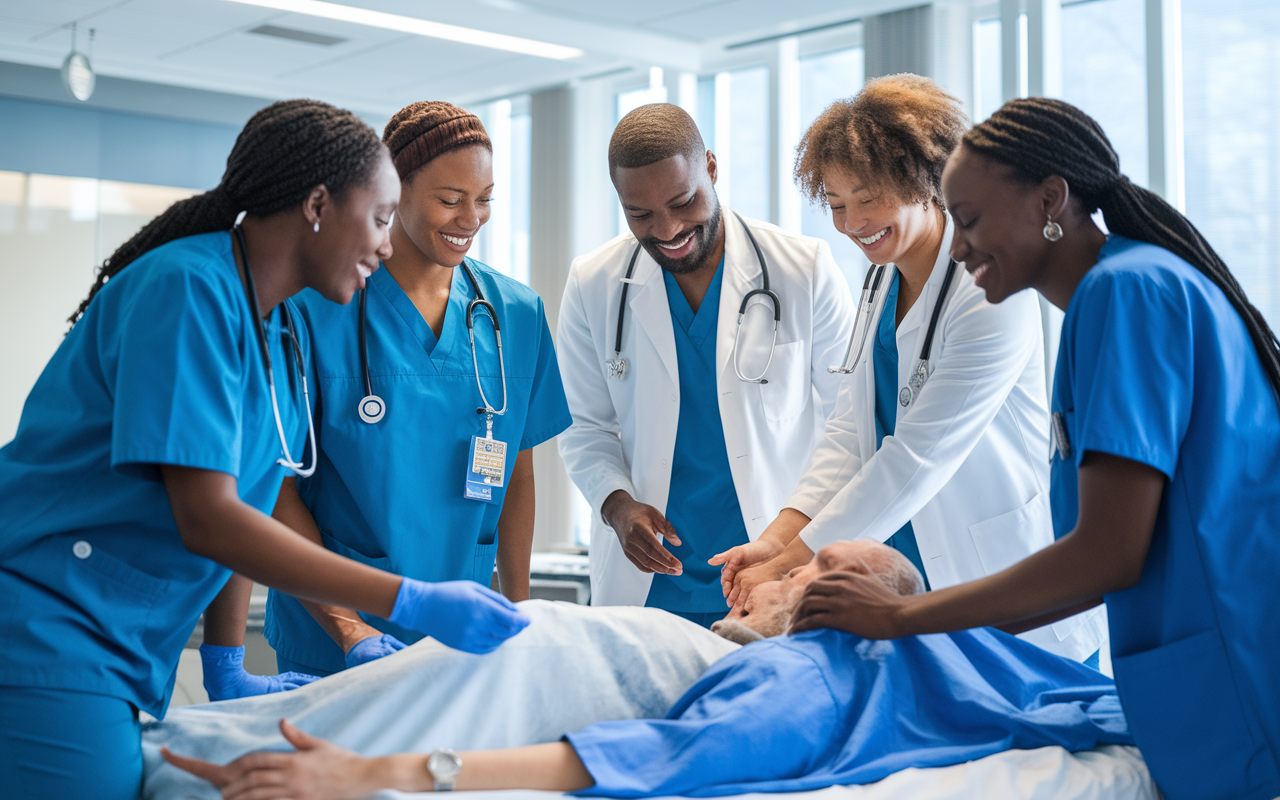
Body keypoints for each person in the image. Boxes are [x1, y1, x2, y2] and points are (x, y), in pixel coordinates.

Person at [0, 99, 527, 800]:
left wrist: (225, 662)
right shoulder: (186, 290)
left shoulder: (273, 329)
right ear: (317, 205)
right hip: (46, 623)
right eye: (377, 218)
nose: (385, 245)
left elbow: (245, 508)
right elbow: (209, 518)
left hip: (119, 645)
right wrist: (410, 599)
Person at [789, 97, 1280, 800]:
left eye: (970, 219)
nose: (957, 247)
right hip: (1203, 663)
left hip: (1235, 668)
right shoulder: (1114, 295)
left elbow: (1107, 552)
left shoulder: (1128, 293)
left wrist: (900, 618)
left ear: (1051, 199)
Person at [160, 540, 1133, 800]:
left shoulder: (805, 675)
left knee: (226, 756)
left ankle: (192, 750)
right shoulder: (769, 650)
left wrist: (376, 773)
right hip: (521, 654)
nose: (777, 572)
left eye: (808, 566)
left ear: (847, 599)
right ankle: (196, 741)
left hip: (533, 667)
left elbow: (650, 752)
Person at [711, 75, 1105, 665]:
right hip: (904, 570)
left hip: (1000, 579)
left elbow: (917, 456)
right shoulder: (878, 282)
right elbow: (849, 433)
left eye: (867, 198)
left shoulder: (990, 291)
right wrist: (775, 536)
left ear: (924, 180)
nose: (850, 223)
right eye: (837, 204)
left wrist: (793, 559)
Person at [256, 101, 572, 679]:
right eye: (450, 200)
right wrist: (350, 632)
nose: (470, 218)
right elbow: (274, 487)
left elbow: (518, 472)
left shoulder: (515, 314)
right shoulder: (313, 309)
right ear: (394, 189)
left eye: (485, 199)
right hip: (334, 641)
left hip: (463, 641)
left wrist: (519, 612)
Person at [557, 103, 854, 626]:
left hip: (773, 572)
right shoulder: (592, 282)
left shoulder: (803, 269)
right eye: (640, 215)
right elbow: (584, 427)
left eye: (683, 200)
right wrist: (617, 506)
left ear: (711, 169)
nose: (668, 229)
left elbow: (847, 427)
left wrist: (789, 537)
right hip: (649, 591)